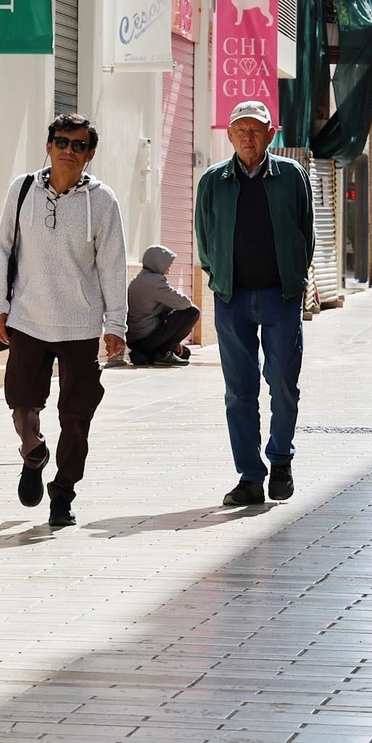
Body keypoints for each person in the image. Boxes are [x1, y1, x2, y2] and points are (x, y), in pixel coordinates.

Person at [0, 114, 129, 529]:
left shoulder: (102, 202)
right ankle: (33, 455)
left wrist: (115, 325)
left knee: (77, 417)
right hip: (28, 318)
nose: (69, 150)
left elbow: (114, 264)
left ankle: (62, 495)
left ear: (90, 154)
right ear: (48, 145)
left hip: (82, 326)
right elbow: (4, 247)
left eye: (78, 145)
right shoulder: (23, 189)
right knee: (21, 401)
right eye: (61, 141)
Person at [194, 100, 315, 507]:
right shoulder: (212, 181)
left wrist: (294, 279)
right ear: (229, 135)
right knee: (238, 392)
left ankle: (280, 459)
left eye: (256, 128)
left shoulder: (292, 176)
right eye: (240, 129)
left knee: (282, 382)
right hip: (232, 299)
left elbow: (306, 233)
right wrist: (219, 277)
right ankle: (249, 476)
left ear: (271, 133)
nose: (248, 136)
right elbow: (204, 237)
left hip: (281, 296)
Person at [126, 245, 200, 367]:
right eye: (167, 262)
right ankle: (164, 353)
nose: (169, 266)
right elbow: (184, 303)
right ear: (158, 262)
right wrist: (174, 341)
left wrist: (176, 342)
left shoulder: (140, 278)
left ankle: (144, 355)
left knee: (184, 352)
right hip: (147, 337)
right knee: (192, 312)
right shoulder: (155, 282)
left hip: (135, 340)